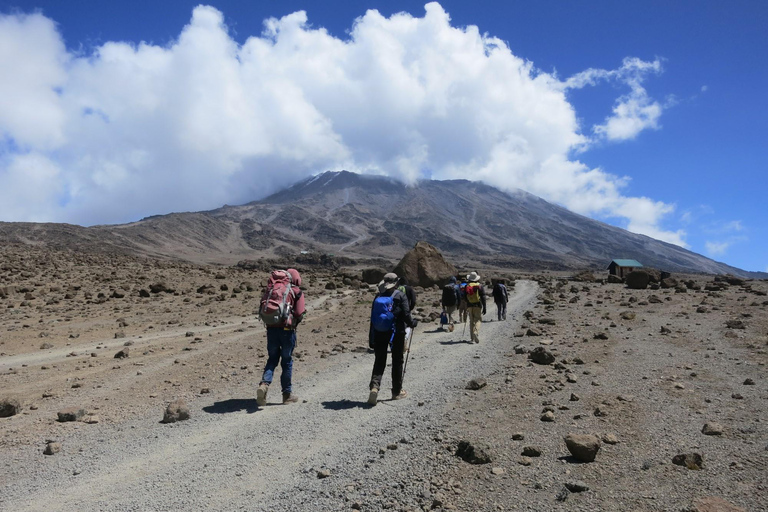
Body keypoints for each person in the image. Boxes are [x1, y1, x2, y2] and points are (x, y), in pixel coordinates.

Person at [256, 268, 305, 406]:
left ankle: (264, 385)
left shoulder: (272, 289)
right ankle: (287, 394)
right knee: (287, 361)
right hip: (287, 331)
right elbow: (300, 313)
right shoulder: (296, 291)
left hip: (271, 329)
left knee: (272, 359)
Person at [368, 273, 418, 405]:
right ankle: (396, 391)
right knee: (397, 361)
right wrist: (412, 323)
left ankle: (374, 387)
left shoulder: (378, 296)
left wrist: (371, 338)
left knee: (379, 361)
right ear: (396, 283)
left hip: (380, 332)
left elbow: (373, 319)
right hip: (397, 332)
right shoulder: (400, 295)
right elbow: (406, 314)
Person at [465, 271, 486, 344]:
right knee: (478, 320)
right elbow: (483, 297)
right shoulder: (479, 286)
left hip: (469, 306)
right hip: (478, 305)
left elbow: (464, 297)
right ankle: (476, 332)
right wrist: (484, 307)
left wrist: (467, 305)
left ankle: (472, 339)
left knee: (471, 322)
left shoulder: (467, 286)